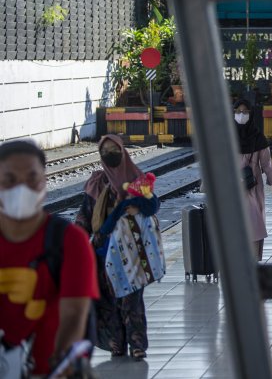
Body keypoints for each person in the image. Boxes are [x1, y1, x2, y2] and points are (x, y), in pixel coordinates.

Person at [0, 140, 99, 376]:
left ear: (44, 182)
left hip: (50, 370)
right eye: (10, 180)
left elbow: (75, 313)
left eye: (32, 178)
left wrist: (58, 363)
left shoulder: (69, 240)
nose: (21, 188)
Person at [74, 135, 156, 360]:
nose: (111, 154)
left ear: (123, 151)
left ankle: (137, 344)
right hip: (103, 254)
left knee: (132, 300)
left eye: (114, 149)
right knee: (108, 300)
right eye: (106, 151)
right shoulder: (96, 184)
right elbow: (84, 217)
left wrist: (134, 204)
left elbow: (151, 207)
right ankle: (116, 343)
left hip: (132, 252)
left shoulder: (137, 179)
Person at [232, 99, 272, 260]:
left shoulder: (258, 137)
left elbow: (267, 164)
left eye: (245, 112)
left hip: (252, 187)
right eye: (238, 111)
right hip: (233, 187)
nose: (241, 115)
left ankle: (252, 258)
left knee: (254, 222)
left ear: (251, 114)